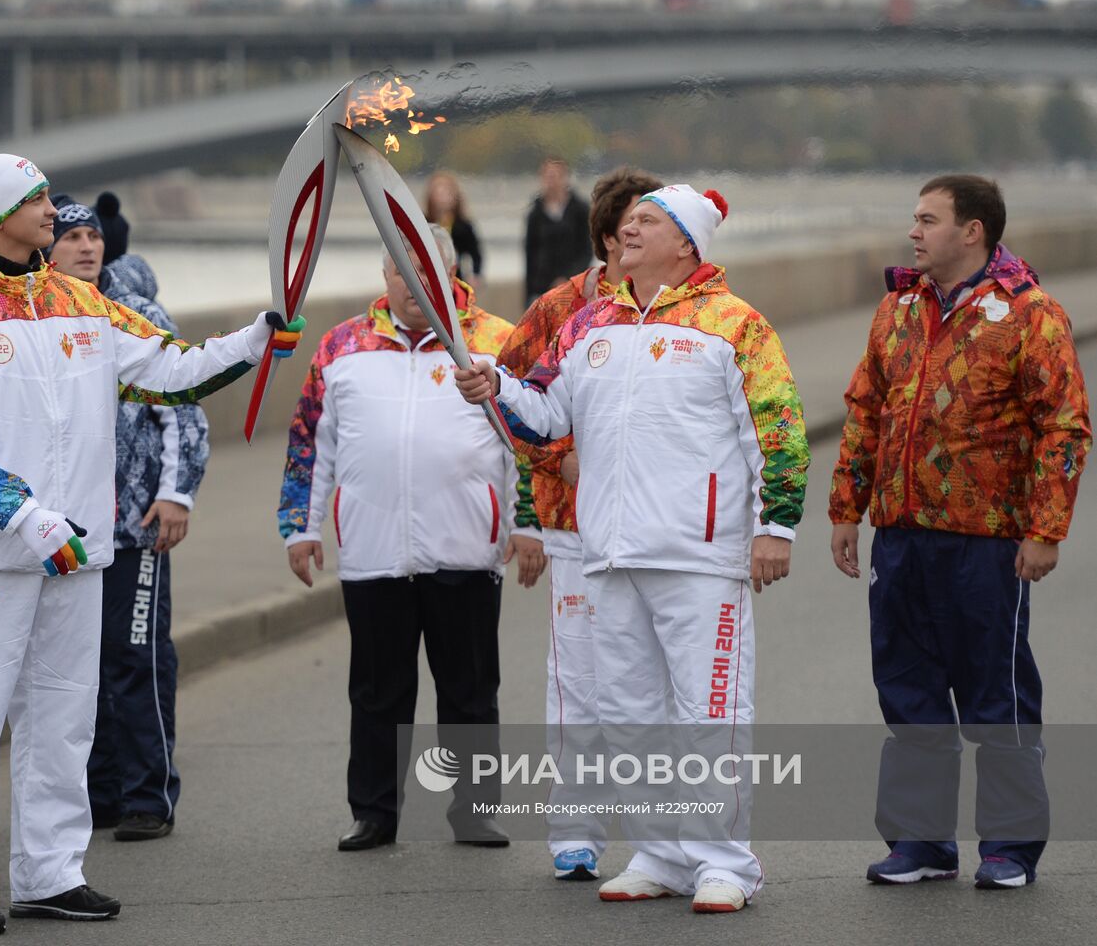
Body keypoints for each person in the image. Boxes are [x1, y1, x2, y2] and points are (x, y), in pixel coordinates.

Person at [0, 149, 305, 935]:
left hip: (78, 552)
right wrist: (25, 516)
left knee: (64, 719)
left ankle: (51, 872)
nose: (52, 209)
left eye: (50, 196)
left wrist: (255, 340)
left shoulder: (79, 300)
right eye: (35, 198)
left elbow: (170, 371)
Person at [456, 184, 809, 913]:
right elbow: (546, 418)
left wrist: (775, 528)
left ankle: (722, 862)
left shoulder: (731, 323)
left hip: (700, 555)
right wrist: (496, 386)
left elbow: (776, 429)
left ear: (687, 243)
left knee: (708, 714)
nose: (628, 229)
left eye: (647, 220)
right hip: (607, 552)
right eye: (625, 222)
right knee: (628, 714)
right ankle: (661, 853)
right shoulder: (589, 324)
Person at [829, 175, 1091, 890]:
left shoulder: (1029, 315)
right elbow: (864, 411)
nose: (913, 232)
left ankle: (1007, 847)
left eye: (927, 219)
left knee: (994, 693)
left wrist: (1045, 529)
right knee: (907, 691)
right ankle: (920, 844)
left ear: (971, 231)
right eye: (914, 219)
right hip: (902, 534)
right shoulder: (897, 309)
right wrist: (846, 508)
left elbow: (1062, 428)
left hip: (987, 540)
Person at [279, 224, 545, 851]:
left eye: (424, 271)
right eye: (401, 271)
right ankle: (374, 812)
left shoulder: (494, 344)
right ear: (384, 275)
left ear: (448, 276)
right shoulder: (342, 346)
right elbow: (309, 443)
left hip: (465, 548)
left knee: (470, 692)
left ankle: (475, 810)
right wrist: (300, 526)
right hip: (373, 551)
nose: (412, 284)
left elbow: (531, 441)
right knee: (377, 692)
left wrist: (527, 523)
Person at [495, 165, 662, 883]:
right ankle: (576, 829)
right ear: (603, 238)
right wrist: (558, 458)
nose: (643, 238)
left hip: (660, 523)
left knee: (659, 685)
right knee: (580, 685)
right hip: (574, 527)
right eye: (631, 228)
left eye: (654, 226)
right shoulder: (560, 309)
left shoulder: (685, 310)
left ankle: (672, 840)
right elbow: (503, 394)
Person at [47, 195, 208, 842]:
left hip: (134, 527)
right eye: (72, 236)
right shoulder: (36, 316)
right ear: (44, 247)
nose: (88, 246)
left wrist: (175, 493)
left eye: (93, 235)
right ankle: (99, 792)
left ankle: (148, 794)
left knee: (134, 657)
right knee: (72, 669)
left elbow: (183, 409)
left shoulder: (136, 315)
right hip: (64, 534)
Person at [523, 157, 591, 305]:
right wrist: (528, 293)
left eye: (555, 176)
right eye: (547, 176)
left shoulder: (580, 209)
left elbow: (586, 249)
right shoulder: (536, 213)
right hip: (542, 286)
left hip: (572, 285)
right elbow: (530, 253)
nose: (551, 181)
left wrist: (568, 277)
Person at [425, 170, 483, 282]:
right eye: (438, 192)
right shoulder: (424, 223)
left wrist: (476, 274)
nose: (442, 197)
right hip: (430, 277)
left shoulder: (463, 226)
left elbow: (476, 253)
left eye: (446, 192)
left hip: (456, 277)